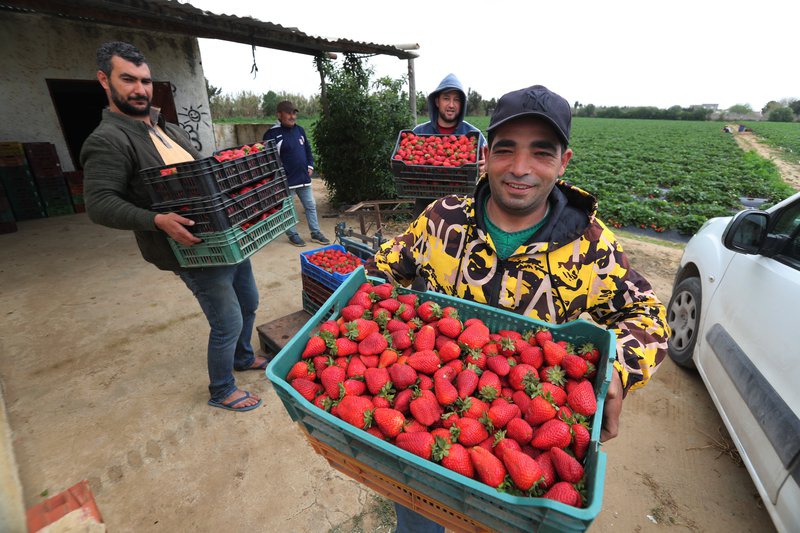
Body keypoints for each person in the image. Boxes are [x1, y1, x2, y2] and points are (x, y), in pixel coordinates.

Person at [367, 84, 671, 532]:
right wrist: (372, 309)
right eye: (506, 150)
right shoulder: (442, 217)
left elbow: (646, 314)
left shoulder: (590, 245)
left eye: (541, 153)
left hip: (518, 434)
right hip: (426, 422)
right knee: (418, 523)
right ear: (486, 155)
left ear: (563, 162)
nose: (520, 168)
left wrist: (619, 372)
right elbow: (385, 269)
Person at [81, 41, 267, 413]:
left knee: (249, 302)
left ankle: (243, 358)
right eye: (128, 79)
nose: (140, 89)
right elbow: (99, 204)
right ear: (105, 80)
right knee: (226, 319)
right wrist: (156, 220)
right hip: (187, 249)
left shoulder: (169, 128)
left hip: (225, 238)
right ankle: (222, 388)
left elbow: (201, 174)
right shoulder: (108, 140)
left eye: (145, 81)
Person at [412, 73, 488, 216]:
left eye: (456, 100)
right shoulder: (419, 133)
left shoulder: (474, 135)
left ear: (462, 104)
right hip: (425, 207)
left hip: (462, 208)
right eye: (446, 98)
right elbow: (404, 169)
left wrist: (487, 168)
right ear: (437, 102)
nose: (451, 105)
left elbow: (490, 166)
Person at [263, 101, 330, 247]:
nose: (292, 116)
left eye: (294, 113)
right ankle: (292, 234)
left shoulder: (300, 130)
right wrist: (277, 177)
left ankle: (315, 233)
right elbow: (268, 160)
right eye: (288, 113)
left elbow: (307, 150)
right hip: (286, 180)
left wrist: (310, 165)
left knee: (311, 205)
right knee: (288, 209)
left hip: (303, 178)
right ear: (279, 115)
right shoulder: (272, 134)